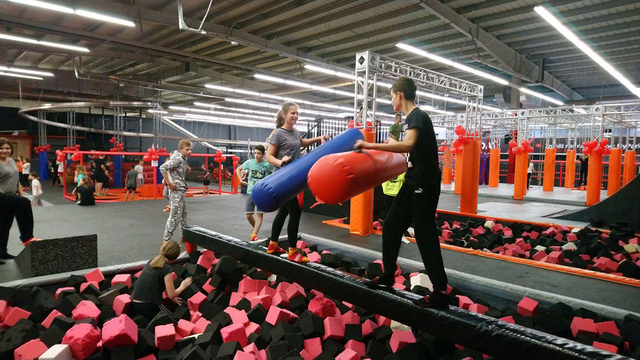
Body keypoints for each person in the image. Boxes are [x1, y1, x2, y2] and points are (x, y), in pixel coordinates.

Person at [354, 77, 448, 308]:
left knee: (424, 234)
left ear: (400, 95)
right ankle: (387, 275)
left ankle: (440, 290)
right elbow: (406, 148)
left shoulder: (417, 115)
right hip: (413, 179)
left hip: (424, 183)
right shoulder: (410, 119)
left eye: (391, 95)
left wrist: (370, 145)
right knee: (392, 225)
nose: (391, 100)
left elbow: (408, 145)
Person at [266, 102, 328, 263]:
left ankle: (273, 244)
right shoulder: (278, 134)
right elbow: (269, 157)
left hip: (291, 178)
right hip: (281, 179)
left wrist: (319, 138)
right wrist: (280, 162)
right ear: (284, 115)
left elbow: (301, 143)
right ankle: (292, 251)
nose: (295, 116)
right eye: (292, 113)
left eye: (297, 113)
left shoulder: (294, 132)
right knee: (295, 212)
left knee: (284, 212)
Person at [131, 240, 192, 326]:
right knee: (173, 322)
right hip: (149, 306)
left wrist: (172, 298)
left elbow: (160, 284)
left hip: (135, 304)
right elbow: (171, 294)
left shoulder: (151, 261)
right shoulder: (167, 269)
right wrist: (183, 286)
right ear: (175, 257)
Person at [0, 138, 39, 265]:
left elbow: (16, 181)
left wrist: (21, 195)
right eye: (1, 148)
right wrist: (18, 200)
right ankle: (27, 238)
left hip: (11, 196)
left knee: (5, 226)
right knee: (23, 204)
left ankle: (2, 252)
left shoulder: (11, 161)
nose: (4, 150)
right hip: (2, 196)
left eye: (7, 148)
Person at [236, 145, 274, 242]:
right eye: (255, 153)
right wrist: (240, 180)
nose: (256, 155)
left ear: (263, 154)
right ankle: (255, 229)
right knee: (248, 214)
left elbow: (273, 174)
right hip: (251, 191)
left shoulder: (267, 165)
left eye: (259, 153)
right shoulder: (249, 163)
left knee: (260, 214)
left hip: (262, 193)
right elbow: (238, 169)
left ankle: (254, 234)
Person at [160, 140, 192, 243]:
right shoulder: (178, 159)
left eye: (190, 149)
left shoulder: (181, 158)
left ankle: (184, 236)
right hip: (176, 191)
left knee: (183, 214)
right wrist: (169, 183)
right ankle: (166, 240)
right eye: (187, 150)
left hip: (180, 190)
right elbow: (163, 168)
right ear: (180, 150)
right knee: (175, 216)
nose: (189, 152)